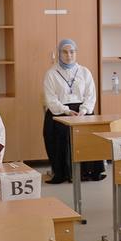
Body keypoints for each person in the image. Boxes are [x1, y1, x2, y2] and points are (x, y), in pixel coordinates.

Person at [41, 39, 104, 184]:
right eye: (64, 52)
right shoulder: (51, 73)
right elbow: (51, 99)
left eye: (72, 52)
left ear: (76, 53)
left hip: (82, 112)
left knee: (90, 134)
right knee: (58, 133)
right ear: (59, 54)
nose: (68, 55)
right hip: (59, 112)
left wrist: (84, 110)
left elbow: (91, 95)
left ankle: (88, 172)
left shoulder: (84, 72)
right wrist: (67, 111)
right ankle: (62, 173)